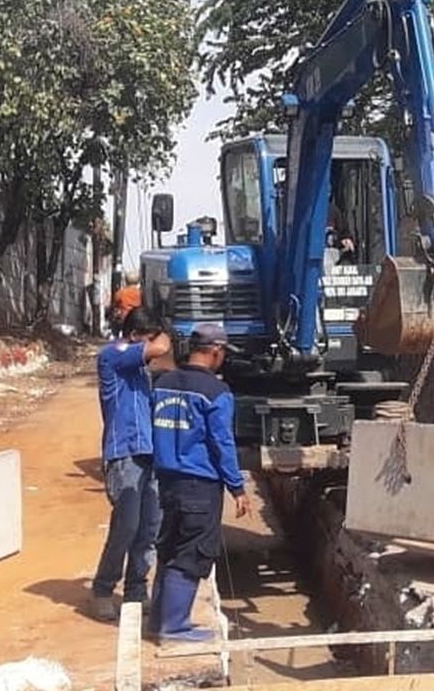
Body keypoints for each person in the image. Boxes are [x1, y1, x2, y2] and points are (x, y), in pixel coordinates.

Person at [149, 322, 251, 641]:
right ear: (216, 352)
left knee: (168, 547)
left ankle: (158, 620)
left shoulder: (163, 382)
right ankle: (174, 626)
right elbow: (222, 442)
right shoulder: (217, 393)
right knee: (192, 552)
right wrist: (237, 487)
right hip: (200, 485)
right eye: (223, 353)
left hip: (166, 482)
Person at [92, 307, 171, 621]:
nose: (152, 348)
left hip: (147, 453)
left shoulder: (139, 370)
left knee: (148, 527)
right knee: (126, 526)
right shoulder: (114, 354)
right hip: (123, 454)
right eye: (147, 340)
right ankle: (103, 588)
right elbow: (163, 347)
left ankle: (137, 590)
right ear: (136, 336)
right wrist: (168, 328)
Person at [111, 270, 143, 334]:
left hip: (125, 318)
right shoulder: (141, 293)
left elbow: (114, 305)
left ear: (126, 280)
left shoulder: (121, 293)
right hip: (139, 319)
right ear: (138, 281)